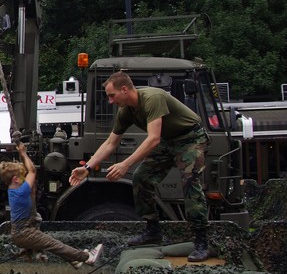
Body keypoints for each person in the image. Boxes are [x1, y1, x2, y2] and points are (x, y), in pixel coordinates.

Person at [68, 71, 211, 261]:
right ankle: (152, 231)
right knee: (141, 178)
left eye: (112, 95)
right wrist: (87, 168)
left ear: (124, 89)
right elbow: (110, 143)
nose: (110, 101)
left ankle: (201, 241)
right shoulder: (126, 111)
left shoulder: (153, 98)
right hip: (167, 140)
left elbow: (153, 139)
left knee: (190, 182)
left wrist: (125, 164)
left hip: (190, 138)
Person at [1, 142, 102, 268]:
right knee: (56, 245)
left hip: (20, 233)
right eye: (22, 176)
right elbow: (32, 171)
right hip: (25, 233)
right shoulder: (21, 191)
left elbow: (28, 173)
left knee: (52, 245)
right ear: (15, 179)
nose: (24, 178)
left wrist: (22, 156)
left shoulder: (12, 190)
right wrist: (23, 153)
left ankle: (74, 261)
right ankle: (87, 257)